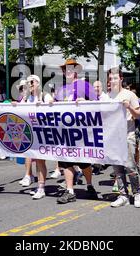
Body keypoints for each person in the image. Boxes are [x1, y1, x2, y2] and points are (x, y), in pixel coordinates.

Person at [54, 58, 98, 204]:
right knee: (66, 161)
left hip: (81, 130)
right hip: (65, 131)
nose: (68, 72)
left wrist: (86, 102)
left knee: (84, 162)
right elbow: (55, 107)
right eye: (65, 70)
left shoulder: (84, 85)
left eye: (71, 69)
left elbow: (98, 103)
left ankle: (90, 185)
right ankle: (70, 191)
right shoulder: (61, 90)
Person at [108, 67, 140, 208]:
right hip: (113, 138)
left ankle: (137, 193)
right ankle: (123, 195)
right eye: (111, 78)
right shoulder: (107, 96)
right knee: (117, 169)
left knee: (130, 167)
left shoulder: (129, 95)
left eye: (115, 78)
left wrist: (129, 107)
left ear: (121, 79)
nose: (113, 81)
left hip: (127, 135)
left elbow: (139, 115)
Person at [15, 74, 53, 199]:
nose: (30, 85)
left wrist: (47, 105)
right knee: (35, 159)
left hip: (42, 132)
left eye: (32, 82)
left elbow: (53, 111)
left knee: (40, 161)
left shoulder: (45, 96)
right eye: (28, 83)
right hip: (31, 134)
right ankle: (39, 186)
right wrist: (16, 106)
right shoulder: (27, 99)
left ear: (38, 83)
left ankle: (41, 188)